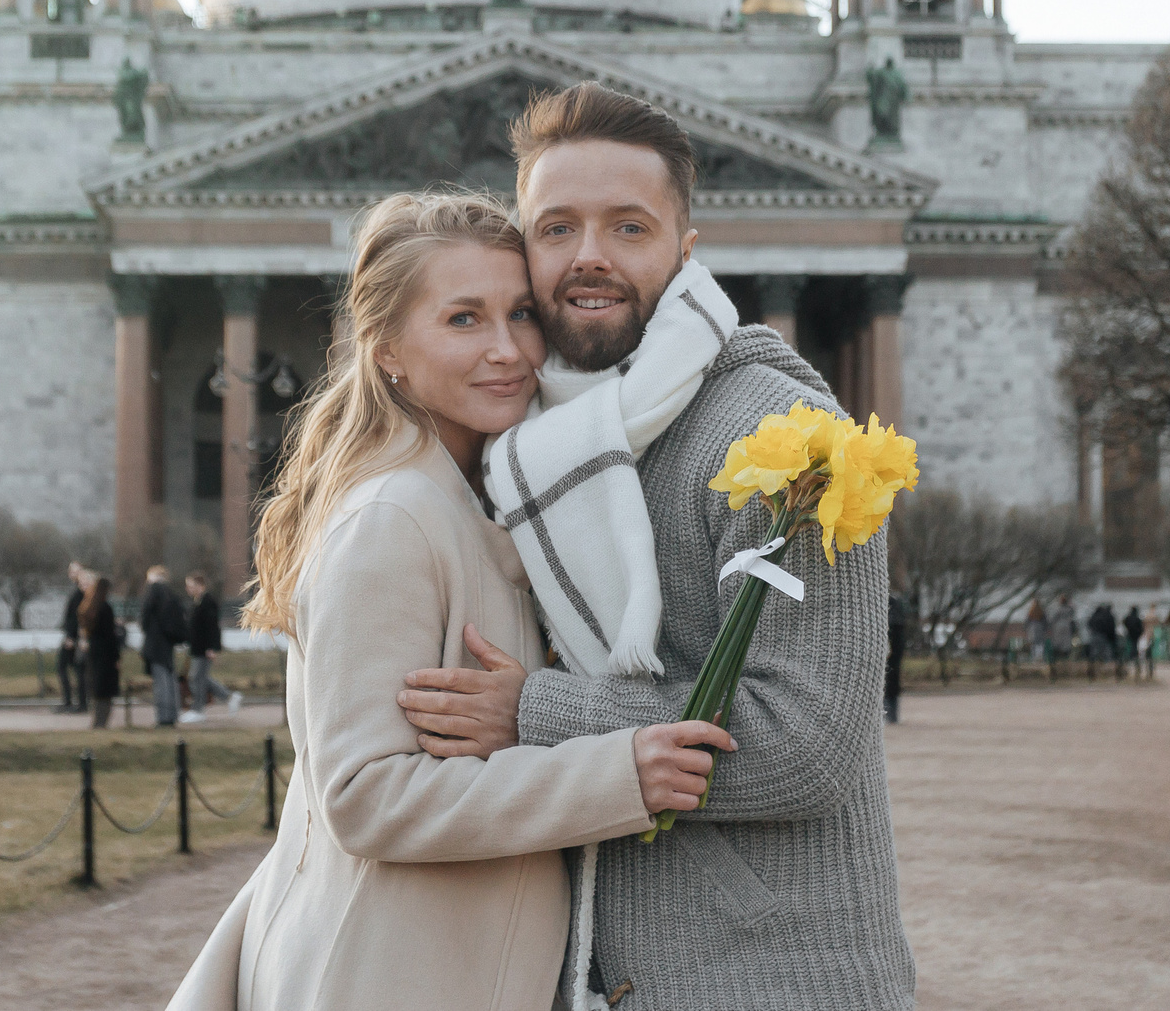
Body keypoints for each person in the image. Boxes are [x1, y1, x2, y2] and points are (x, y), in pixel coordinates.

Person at [387, 84, 914, 1009]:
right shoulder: (532, 447)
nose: (589, 257)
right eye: (558, 229)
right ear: (525, 248)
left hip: (774, 982)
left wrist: (537, 714)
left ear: (685, 250)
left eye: (628, 227)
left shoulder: (788, 440)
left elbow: (811, 746)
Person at [169, 190, 729, 1011]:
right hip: (386, 973)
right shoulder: (392, 517)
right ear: (388, 348)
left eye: (519, 315)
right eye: (463, 319)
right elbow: (364, 796)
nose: (507, 350)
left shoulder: (464, 504)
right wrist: (616, 775)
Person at [179, 572, 242, 724]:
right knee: (200, 677)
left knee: (197, 678)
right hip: (197, 647)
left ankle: (198, 710)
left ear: (200, 585)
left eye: (191, 586)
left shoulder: (208, 602)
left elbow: (212, 627)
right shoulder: (197, 602)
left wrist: (212, 648)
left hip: (204, 648)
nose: (188, 589)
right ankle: (229, 696)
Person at [139, 563, 188, 726]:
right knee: (170, 679)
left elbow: (144, 619)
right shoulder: (171, 595)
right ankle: (173, 715)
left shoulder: (152, 593)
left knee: (161, 682)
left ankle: (163, 718)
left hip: (155, 643)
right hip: (168, 643)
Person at [82, 573, 123, 728]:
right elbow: (110, 636)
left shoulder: (90, 607)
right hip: (106, 655)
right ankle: (101, 723)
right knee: (106, 692)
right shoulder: (105, 608)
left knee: (97, 690)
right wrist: (117, 656)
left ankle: (97, 722)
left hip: (94, 653)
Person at [56, 560, 86, 713]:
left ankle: (72, 701)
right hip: (72, 636)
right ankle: (75, 701)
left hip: (72, 637)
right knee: (74, 669)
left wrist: (70, 637)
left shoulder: (80, 593)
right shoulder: (77, 591)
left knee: (64, 667)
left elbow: (76, 617)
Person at [885, 584, 911, 724]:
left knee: (890, 684)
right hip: (893, 655)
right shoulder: (895, 604)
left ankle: (891, 715)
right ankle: (891, 715)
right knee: (891, 684)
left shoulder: (891, 603)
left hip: (892, 656)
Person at [1085, 601, 1119, 674]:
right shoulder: (1107, 616)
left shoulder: (1094, 616)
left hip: (1094, 635)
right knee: (1106, 654)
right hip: (1104, 636)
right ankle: (1107, 671)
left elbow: (1089, 624)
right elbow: (1110, 628)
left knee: (1094, 654)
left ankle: (1092, 670)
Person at [1123, 604, 1146, 678]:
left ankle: (1130, 657)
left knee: (1130, 645)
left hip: (1129, 633)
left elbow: (1125, 622)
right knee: (1134, 645)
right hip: (1136, 634)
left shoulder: (1128, 617)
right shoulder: (1137, 618)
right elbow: (1141, 627)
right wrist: (1139, 632)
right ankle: (1133, 656)